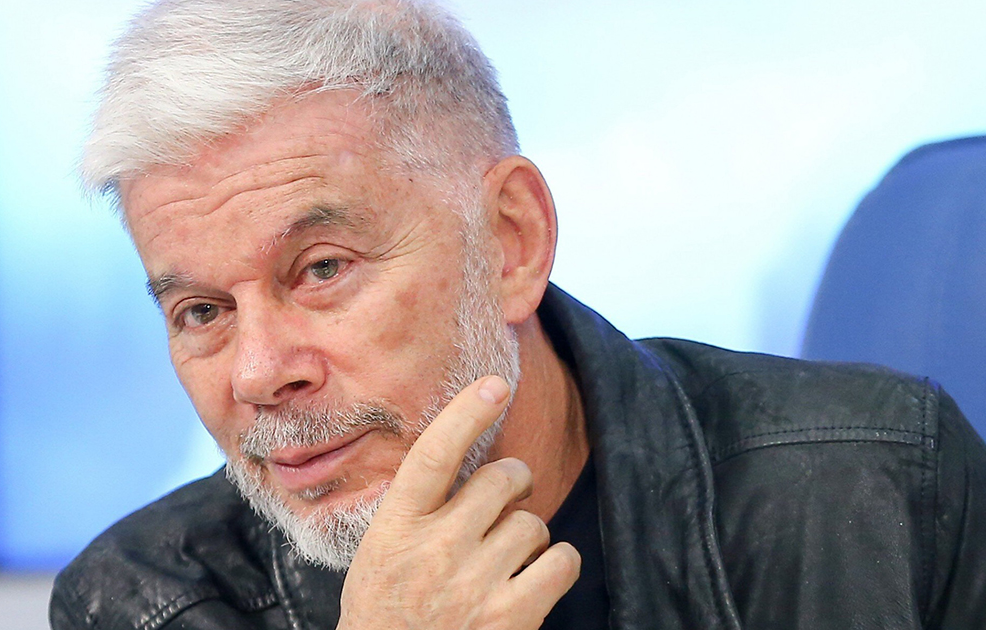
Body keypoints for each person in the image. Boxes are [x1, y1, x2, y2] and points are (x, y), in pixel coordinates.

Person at [49, 1, 986, 628]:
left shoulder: (883, 486)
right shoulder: (145, 600)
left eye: (322, 269)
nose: (258, 373)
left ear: (510, 241)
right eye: (201, 311)